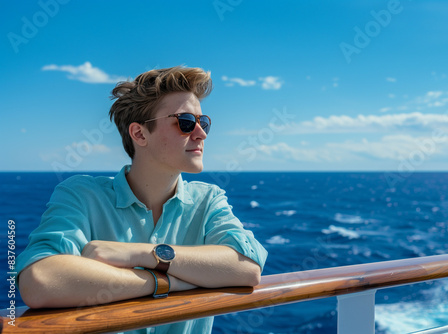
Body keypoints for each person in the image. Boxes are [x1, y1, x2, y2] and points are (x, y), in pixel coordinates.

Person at [16, 66, 268, 333]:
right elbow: (39, 280)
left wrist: (141, 254)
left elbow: (247, 268)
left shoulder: (208, 200)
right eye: (185, 122)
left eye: (202, 122)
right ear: (139, 134)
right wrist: (167, 282)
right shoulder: (82, 196)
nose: (201, 133)